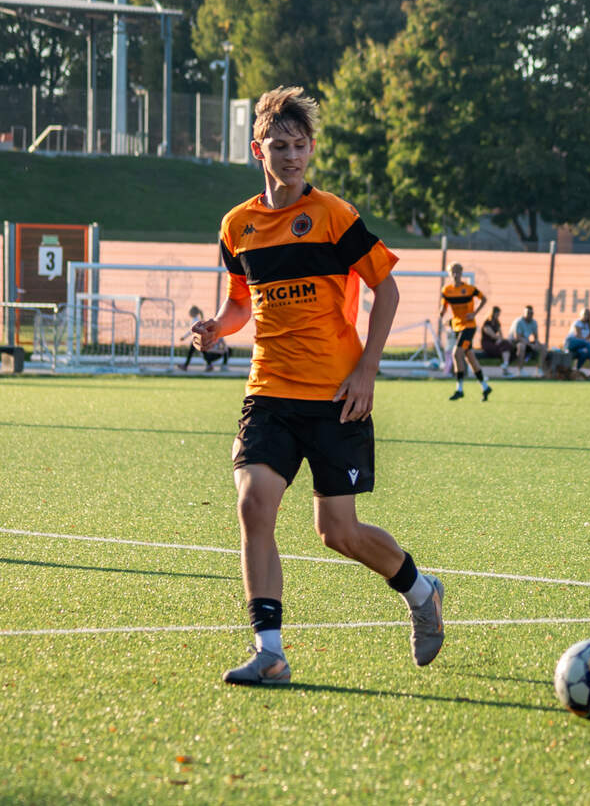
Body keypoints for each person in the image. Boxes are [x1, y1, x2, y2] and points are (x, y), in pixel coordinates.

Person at [190, 86, 445, 686]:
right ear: (258, 150)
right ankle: (270, 651)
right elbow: (240, 303)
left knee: (338, 532)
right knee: (254, 503)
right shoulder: (237, 226)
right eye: (279, 146)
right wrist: (217, 328)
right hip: (269, 392)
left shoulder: (334, 216)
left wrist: (367, 370)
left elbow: (387, 289)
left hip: (336, 397)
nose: (291, 156)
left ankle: (421, 591)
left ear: (310, 150)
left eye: (300, 145)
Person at [439, 262, 491, 401]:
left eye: (458, 272)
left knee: (456, 353)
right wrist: (442, 313)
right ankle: (485, 387)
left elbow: (484, 299)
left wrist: (474, 313)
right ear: (449, 274)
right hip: (457, 327)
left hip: (469, 327)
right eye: (453, 272)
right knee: (470, 358)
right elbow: (443, 308)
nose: (455, 274)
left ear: (462, 273)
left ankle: (459, 389)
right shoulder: (446, 290)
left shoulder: (469, 289)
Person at [180, 305, 230, 371]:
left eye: (190, 311)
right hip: (198, 339)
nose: (189, 313)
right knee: (201, 352)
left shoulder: (195, 320)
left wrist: (184, 337)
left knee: (194, 352)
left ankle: (186, 365)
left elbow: (191, 331)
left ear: (193, 312)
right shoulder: (196, 320)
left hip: (197, 339)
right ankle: (208, 365)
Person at [563, 308, 590, 376]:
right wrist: (587, 342)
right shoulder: (577, 323)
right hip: (570, 342)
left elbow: (589, 335)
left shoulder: (589, 324)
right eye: (584, 314)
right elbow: (578, 336)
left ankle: (576, 370)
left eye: (587, 315)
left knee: (584, 353)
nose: (586, 316)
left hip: (580, 345)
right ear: (581, 315)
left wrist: (587, 342)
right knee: (587, 343)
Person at [479, 305, 515, 376]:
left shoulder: (497, 323)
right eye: (497, 314)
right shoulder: (487, 323)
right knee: (505, 348)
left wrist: (501, 339)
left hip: (495, 343)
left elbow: (501, 335)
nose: (498, 316)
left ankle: (505, 365)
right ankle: (505, 370)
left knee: (507, 345)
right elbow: (492, 335)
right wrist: (499, 339)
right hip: (487, 344)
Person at [510, 305, 545, 372]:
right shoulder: (519, 322)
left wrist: (536, 343)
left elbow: (536, 337)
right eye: (528, 313)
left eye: (531, 313)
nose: (529, 315)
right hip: (514, 343)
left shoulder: (534, 322)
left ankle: (540, 369)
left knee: (543, 347)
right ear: (524, 313)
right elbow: (518, 337)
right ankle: (521, 370)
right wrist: (530, 345)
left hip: (527, 343)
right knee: (521, 346)